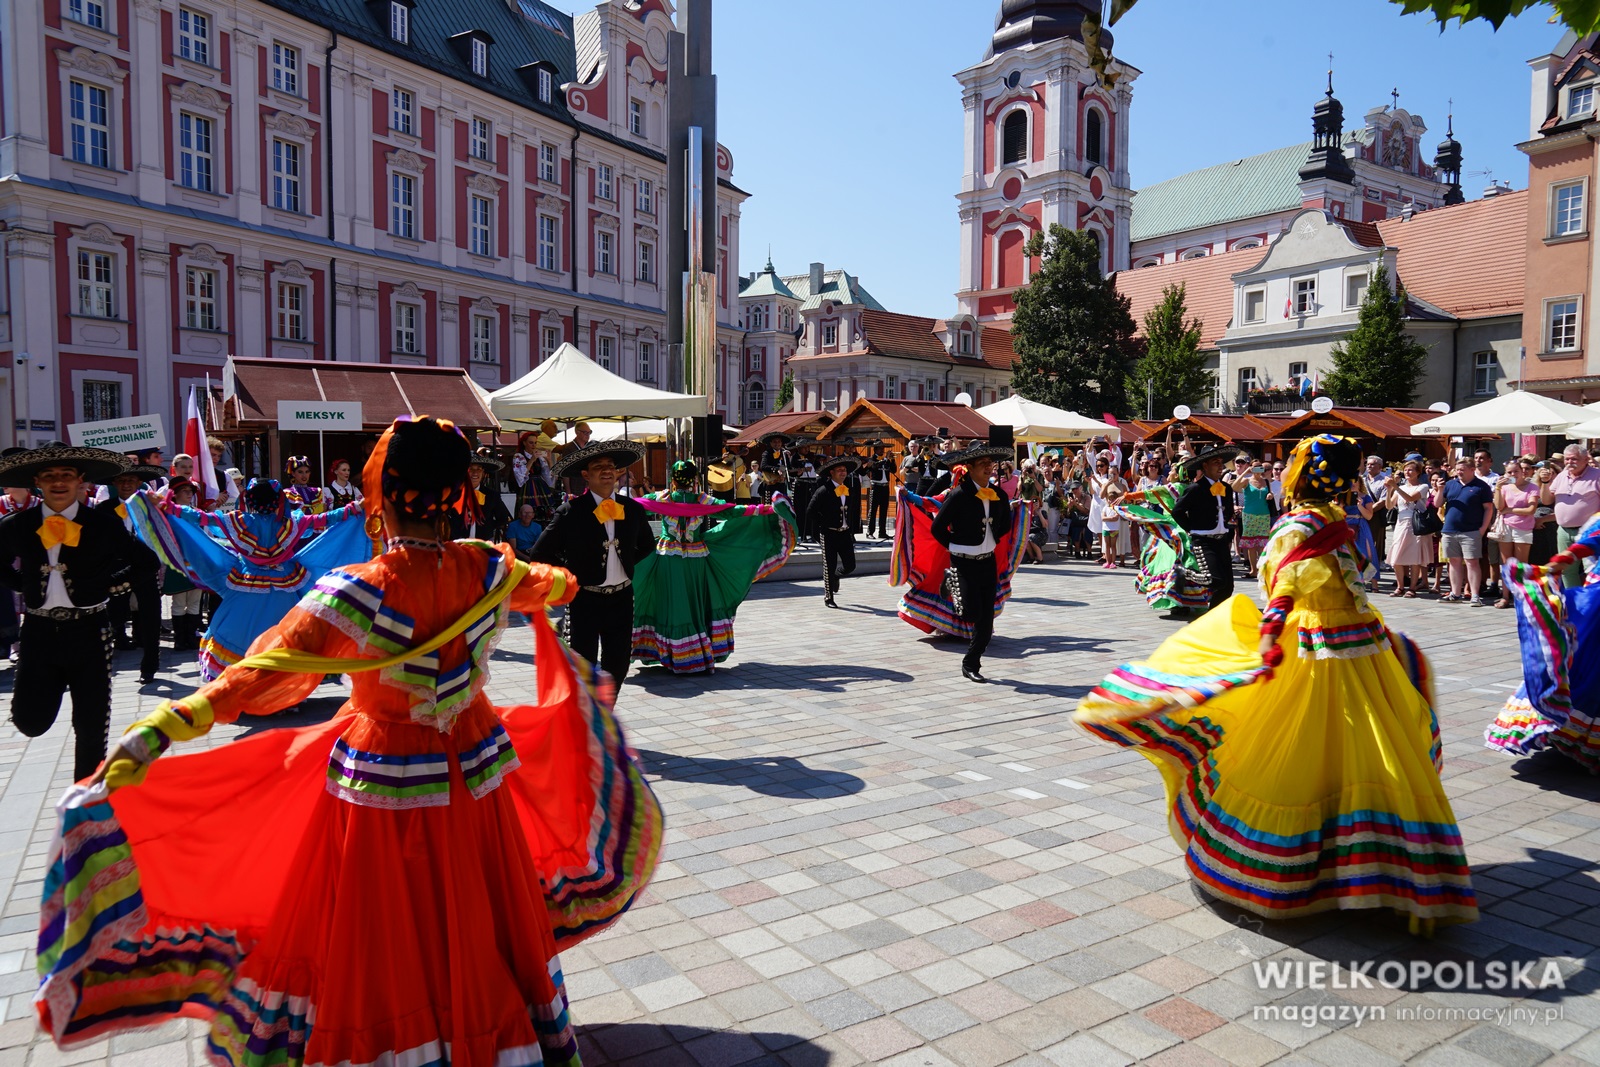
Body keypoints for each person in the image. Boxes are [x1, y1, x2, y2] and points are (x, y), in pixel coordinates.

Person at [40, 415, 662, 1066]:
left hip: (384, 777)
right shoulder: (489, 568)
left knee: (381, 923)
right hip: (475, 767)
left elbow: (258, 674)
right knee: (474, 903)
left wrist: (161, 727)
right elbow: (558, 585)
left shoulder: (357, 590)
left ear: (382, 496)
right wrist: (556, 579)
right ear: (458, 492)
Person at [1075, 433, 1478, 934]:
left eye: (1292, 464)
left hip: (1316, 645)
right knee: (1366, 739)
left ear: (1304, 475)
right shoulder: (1334, 517)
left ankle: (1297, 869)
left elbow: (1285, 585)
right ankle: (1383, 860)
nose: (1284, 470)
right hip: (1361, 640)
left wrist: (1267, 638)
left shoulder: (1298, 523)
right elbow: (1347, 572)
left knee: (1298, 744)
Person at [127, 477, 370, 680]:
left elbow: (201, 517)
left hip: (246, 584)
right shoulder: (292, 522)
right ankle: (279, 686)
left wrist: (169, 508)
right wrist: (356, 508)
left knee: (236, 631)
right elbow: (327, 518)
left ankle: (243, 680)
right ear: (277, 500)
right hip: (284, 586)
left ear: (249, 499)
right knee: (285, 631)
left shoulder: (238, 520)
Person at [0, 443, 138, 780]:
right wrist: (21, 585)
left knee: (91, 726)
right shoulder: (17, 524)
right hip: (38, 632)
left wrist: (107, 586)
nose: (58, 481)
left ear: (80, 480)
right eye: (49, 476)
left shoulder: (103, 524)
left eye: (66, 474)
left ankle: (85, 799)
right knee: (29, 721)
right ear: (37, 482)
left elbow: (143, 562)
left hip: (89, 631)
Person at [631, 460, 797, 672]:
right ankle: (695, 653)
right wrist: (761, 509)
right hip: (696, 559)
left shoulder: (660, 499)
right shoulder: (702, 500)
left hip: (668, 559)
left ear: (672, 480)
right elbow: (730, 511)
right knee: (695, 603)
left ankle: (670, 653)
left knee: (671, 602)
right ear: (695, 480)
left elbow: (634, 508)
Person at [531, 440, 655, 688]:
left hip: (621, 598)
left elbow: (647, 545)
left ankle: (605, 709)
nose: (606, 470)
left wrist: (625, 565)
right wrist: (573, 573)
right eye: (598, 466)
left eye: (610, 465)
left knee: (618, 666)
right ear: (586, 475)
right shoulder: (571, 511)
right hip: (585, 599)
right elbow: (540, 553)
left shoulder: (632, 509)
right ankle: (587, 710)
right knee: (583, 668)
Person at [1485, 514, 1600, 771]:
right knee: (1582, 662)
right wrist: (1557, 563)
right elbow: (1590, 542)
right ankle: (1563, 726)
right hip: (1595, 604)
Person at [929, 436, 1017, 682]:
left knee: (986, 620)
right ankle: (951, 580)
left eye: (990, 463)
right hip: (962, 562)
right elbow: (937, 528)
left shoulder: (998, 494)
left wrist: (989, 540)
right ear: (969, 467)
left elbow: (1004, 525)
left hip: (987, 562)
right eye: (982, 463)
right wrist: (954, 546)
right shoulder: (959, 494)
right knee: (969, 613)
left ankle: (971, 664)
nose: (989, 467)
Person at [99, 460, 165, 685]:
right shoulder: (103, 509)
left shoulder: (150, 506)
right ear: (114, 483)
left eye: (131, 480)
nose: (126, 484)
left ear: (139, 483)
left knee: (151, 617)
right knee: (112, 617)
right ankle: (101, 664)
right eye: (121, 480)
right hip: (116, 570)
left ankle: (150, 666)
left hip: (145, 567)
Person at [1120, 483, 1210, 616]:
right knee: (1186, 562)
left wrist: (1127, 496)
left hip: (1171, 531)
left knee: (1169, 563)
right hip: (1185, 529)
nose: (1170, 472)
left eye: (1173, 471)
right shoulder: (1193, 487)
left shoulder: (1173, 487)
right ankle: (1187, 599)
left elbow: (1149, 493)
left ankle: (1176, 601)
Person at [1172, 445, 1239, 609]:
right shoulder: (1195, 488)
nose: (1220, 466)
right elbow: (1177, 511)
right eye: (1215, 462)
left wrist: (1226, 526)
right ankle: (1184, 573)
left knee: (1227, 587)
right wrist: (1192, 529)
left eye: (1221, 462)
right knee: (1215, 580)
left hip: (1222, 541)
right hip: (1203, 541)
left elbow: (1228, 510)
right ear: (1205, 465)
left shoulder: (1226, 488)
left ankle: (1212, 616)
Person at [1541, 443, 1600, 589]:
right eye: (1567, 459)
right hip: (1564, 530)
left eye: (1574, 459)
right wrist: (1545, 482)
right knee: (1566, 570)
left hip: (1589, 532)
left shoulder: (1597, 475)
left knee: (1592, 571)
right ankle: (1572, 600)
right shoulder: (1561, 476)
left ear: (1585, 459)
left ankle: (1592, 600)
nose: (1569, 462)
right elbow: (1547, 500)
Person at [1439, 456, 1494, 606]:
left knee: (1472, 562)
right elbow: (1438, 504)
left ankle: (1475, 595)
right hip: (1449, 530)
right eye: (1457, 470)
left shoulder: (1481, 486)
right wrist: (1440, 489)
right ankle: (1455, 593)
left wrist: (1483, 529)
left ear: (1472, 470)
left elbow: (1488, 508)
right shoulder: (1450, 484)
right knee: (1453, 561)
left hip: (1471, 530)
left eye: (1462, 470)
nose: (1459, 472)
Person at [808, 455, 860, 609]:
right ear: (831, 472)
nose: (843, 473)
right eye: (839, 470)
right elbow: (811, 511)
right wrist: (822, 525)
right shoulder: (823, 490)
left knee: (850, 565)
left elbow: (851, 511)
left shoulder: (848, 489)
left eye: (844, 470)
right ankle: (829, 597)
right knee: (829, 567)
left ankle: (837, 575)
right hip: (829, 533)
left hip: (844, 533)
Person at [1493, 459, 1541, 608]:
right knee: (1506, 563)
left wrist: (1510, 510)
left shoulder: (1532, 487)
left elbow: (1530, 510)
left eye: (1516, 471)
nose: (1513, 474)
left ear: (1522, 472)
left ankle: (1521, 596)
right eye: (1510, 472)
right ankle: (1505, 596)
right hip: (1506, 526)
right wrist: (1498, 489)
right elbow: (1499, 506)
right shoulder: (1505, 487)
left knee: (1521, 564)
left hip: (1523, 528)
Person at [1385, 459, 1433, 598]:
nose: (1407, 472)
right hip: (1401, 523)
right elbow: (1389, 506)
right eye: (1405, 470)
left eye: (1411, 469)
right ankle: (1400, 586)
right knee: (1396, 556)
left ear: (1418, 472)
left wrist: (1395, 487)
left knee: (1415, 557)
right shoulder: (1401, 487)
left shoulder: (1423, 486)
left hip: (1415, 524)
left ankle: (1412, 588)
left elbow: (1411, 498)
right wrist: (1389, 490)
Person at [453, 448, 513, 542]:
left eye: (479, 469)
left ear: (483, 473)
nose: (475, 473)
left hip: (484, 543)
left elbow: (503, 517)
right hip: (457, 543)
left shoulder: (492, 495)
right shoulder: (453, 494)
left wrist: (488, 527)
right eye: (470, 469)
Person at [1237, 463, 1277, 574]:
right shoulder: (1247, 481)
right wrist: (1246, 472)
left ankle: (1262, 570)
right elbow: (1234, 487)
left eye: (1260, 467)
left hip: (1264, 515)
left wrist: (1270, 495)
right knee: (1251, 545)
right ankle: (1253, 570)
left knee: (1262, 544)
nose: (1258, 469)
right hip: (1249, 515)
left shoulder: (1266, 481)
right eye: (1255, 467)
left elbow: (1269, 493)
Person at [865, 444, 895, 539]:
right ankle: (870, 532)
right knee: (873, 510)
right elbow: (874, 467)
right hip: (876, 487)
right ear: (875, 450)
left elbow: (893, 470)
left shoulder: (886, 460)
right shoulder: (872, 459)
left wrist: (892, 460)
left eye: (883, 448)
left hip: (885, 487)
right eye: (880, 449)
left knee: (883, 510)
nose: (882, 450)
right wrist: (886, 459)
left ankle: (882, 532)